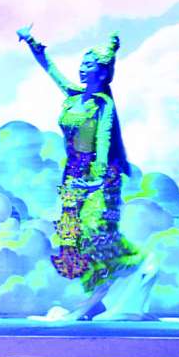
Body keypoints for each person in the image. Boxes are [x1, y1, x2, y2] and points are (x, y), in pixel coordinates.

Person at [18, 25, 148, 320]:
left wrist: (97, 179)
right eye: (82, 63)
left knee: (93, 231)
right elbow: (50, 69)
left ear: (102, 73)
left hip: (99, 177)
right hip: (73, 174)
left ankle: (125, 268)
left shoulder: (103, 105)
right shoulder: (73, 95)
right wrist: (31, 42)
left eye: (88, 64)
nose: (81, 68)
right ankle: (96, 299)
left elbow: (103, 141)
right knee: (71, 237)